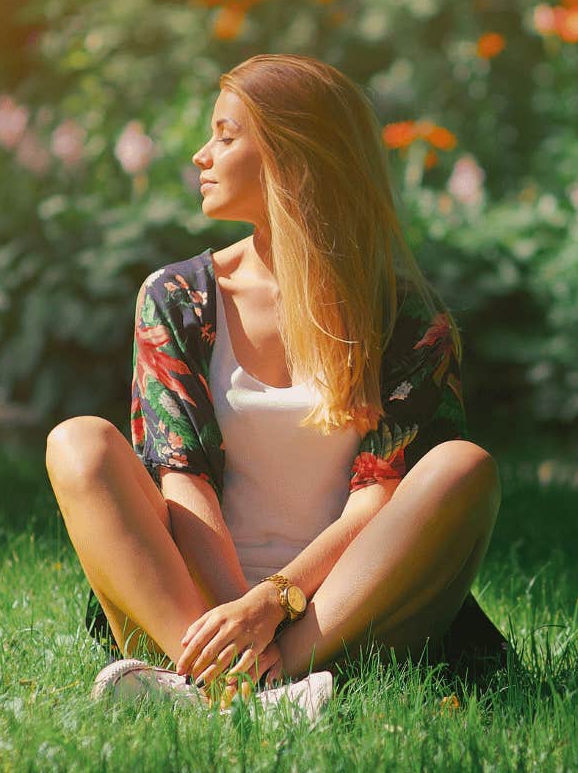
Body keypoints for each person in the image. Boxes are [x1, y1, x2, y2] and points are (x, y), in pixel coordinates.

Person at [45, 54, 507, 706]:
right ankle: (226, 685)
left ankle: (260, 688)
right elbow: (184, 481)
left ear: (295, 156)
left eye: (226, 136)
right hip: (197, 608)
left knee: (463, 467)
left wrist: (275, 604)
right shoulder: (177, 296)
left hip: (345, 609)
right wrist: (235, 621)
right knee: (77, 442)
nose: (202, 156)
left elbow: (378, 500)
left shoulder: (406, 314)